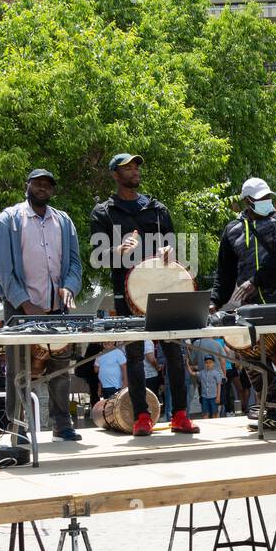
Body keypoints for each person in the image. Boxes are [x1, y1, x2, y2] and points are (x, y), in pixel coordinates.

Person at [90, 152, 198, 437]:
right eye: (128, 167)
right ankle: (141, 416)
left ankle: (180, 415)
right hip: (126, 295)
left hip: (162, 289)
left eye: (137, 166)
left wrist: (169, 251)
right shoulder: (103, 212)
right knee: (135, 355)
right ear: (115, 174)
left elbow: (174, 249)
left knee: (174, 352)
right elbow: (98, 255)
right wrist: (117, 251)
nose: (135, 170)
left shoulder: (157, 208)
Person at [0, 168, 84, 441]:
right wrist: (24, 302)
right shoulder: (9, 220)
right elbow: (2, 269)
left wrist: (70, 286)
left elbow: (75, 264)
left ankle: (61, 424)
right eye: (38, 183)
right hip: (20, 309)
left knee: (61, 367)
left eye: (48, 184)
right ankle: (17, 429)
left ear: (52, 190)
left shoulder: (64, 221)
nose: (43, 187)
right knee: (19, 369)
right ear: (27, 186)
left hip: (56, 308)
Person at [211, 178, 276, 432]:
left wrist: (255, 281)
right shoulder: (232, 230)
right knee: (252, 361)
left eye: (268, 197)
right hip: (250, 311)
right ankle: (273, 411)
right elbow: (225, 273)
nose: (267, 202)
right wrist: (214, 302)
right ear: (247, 201)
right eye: (261, 199)